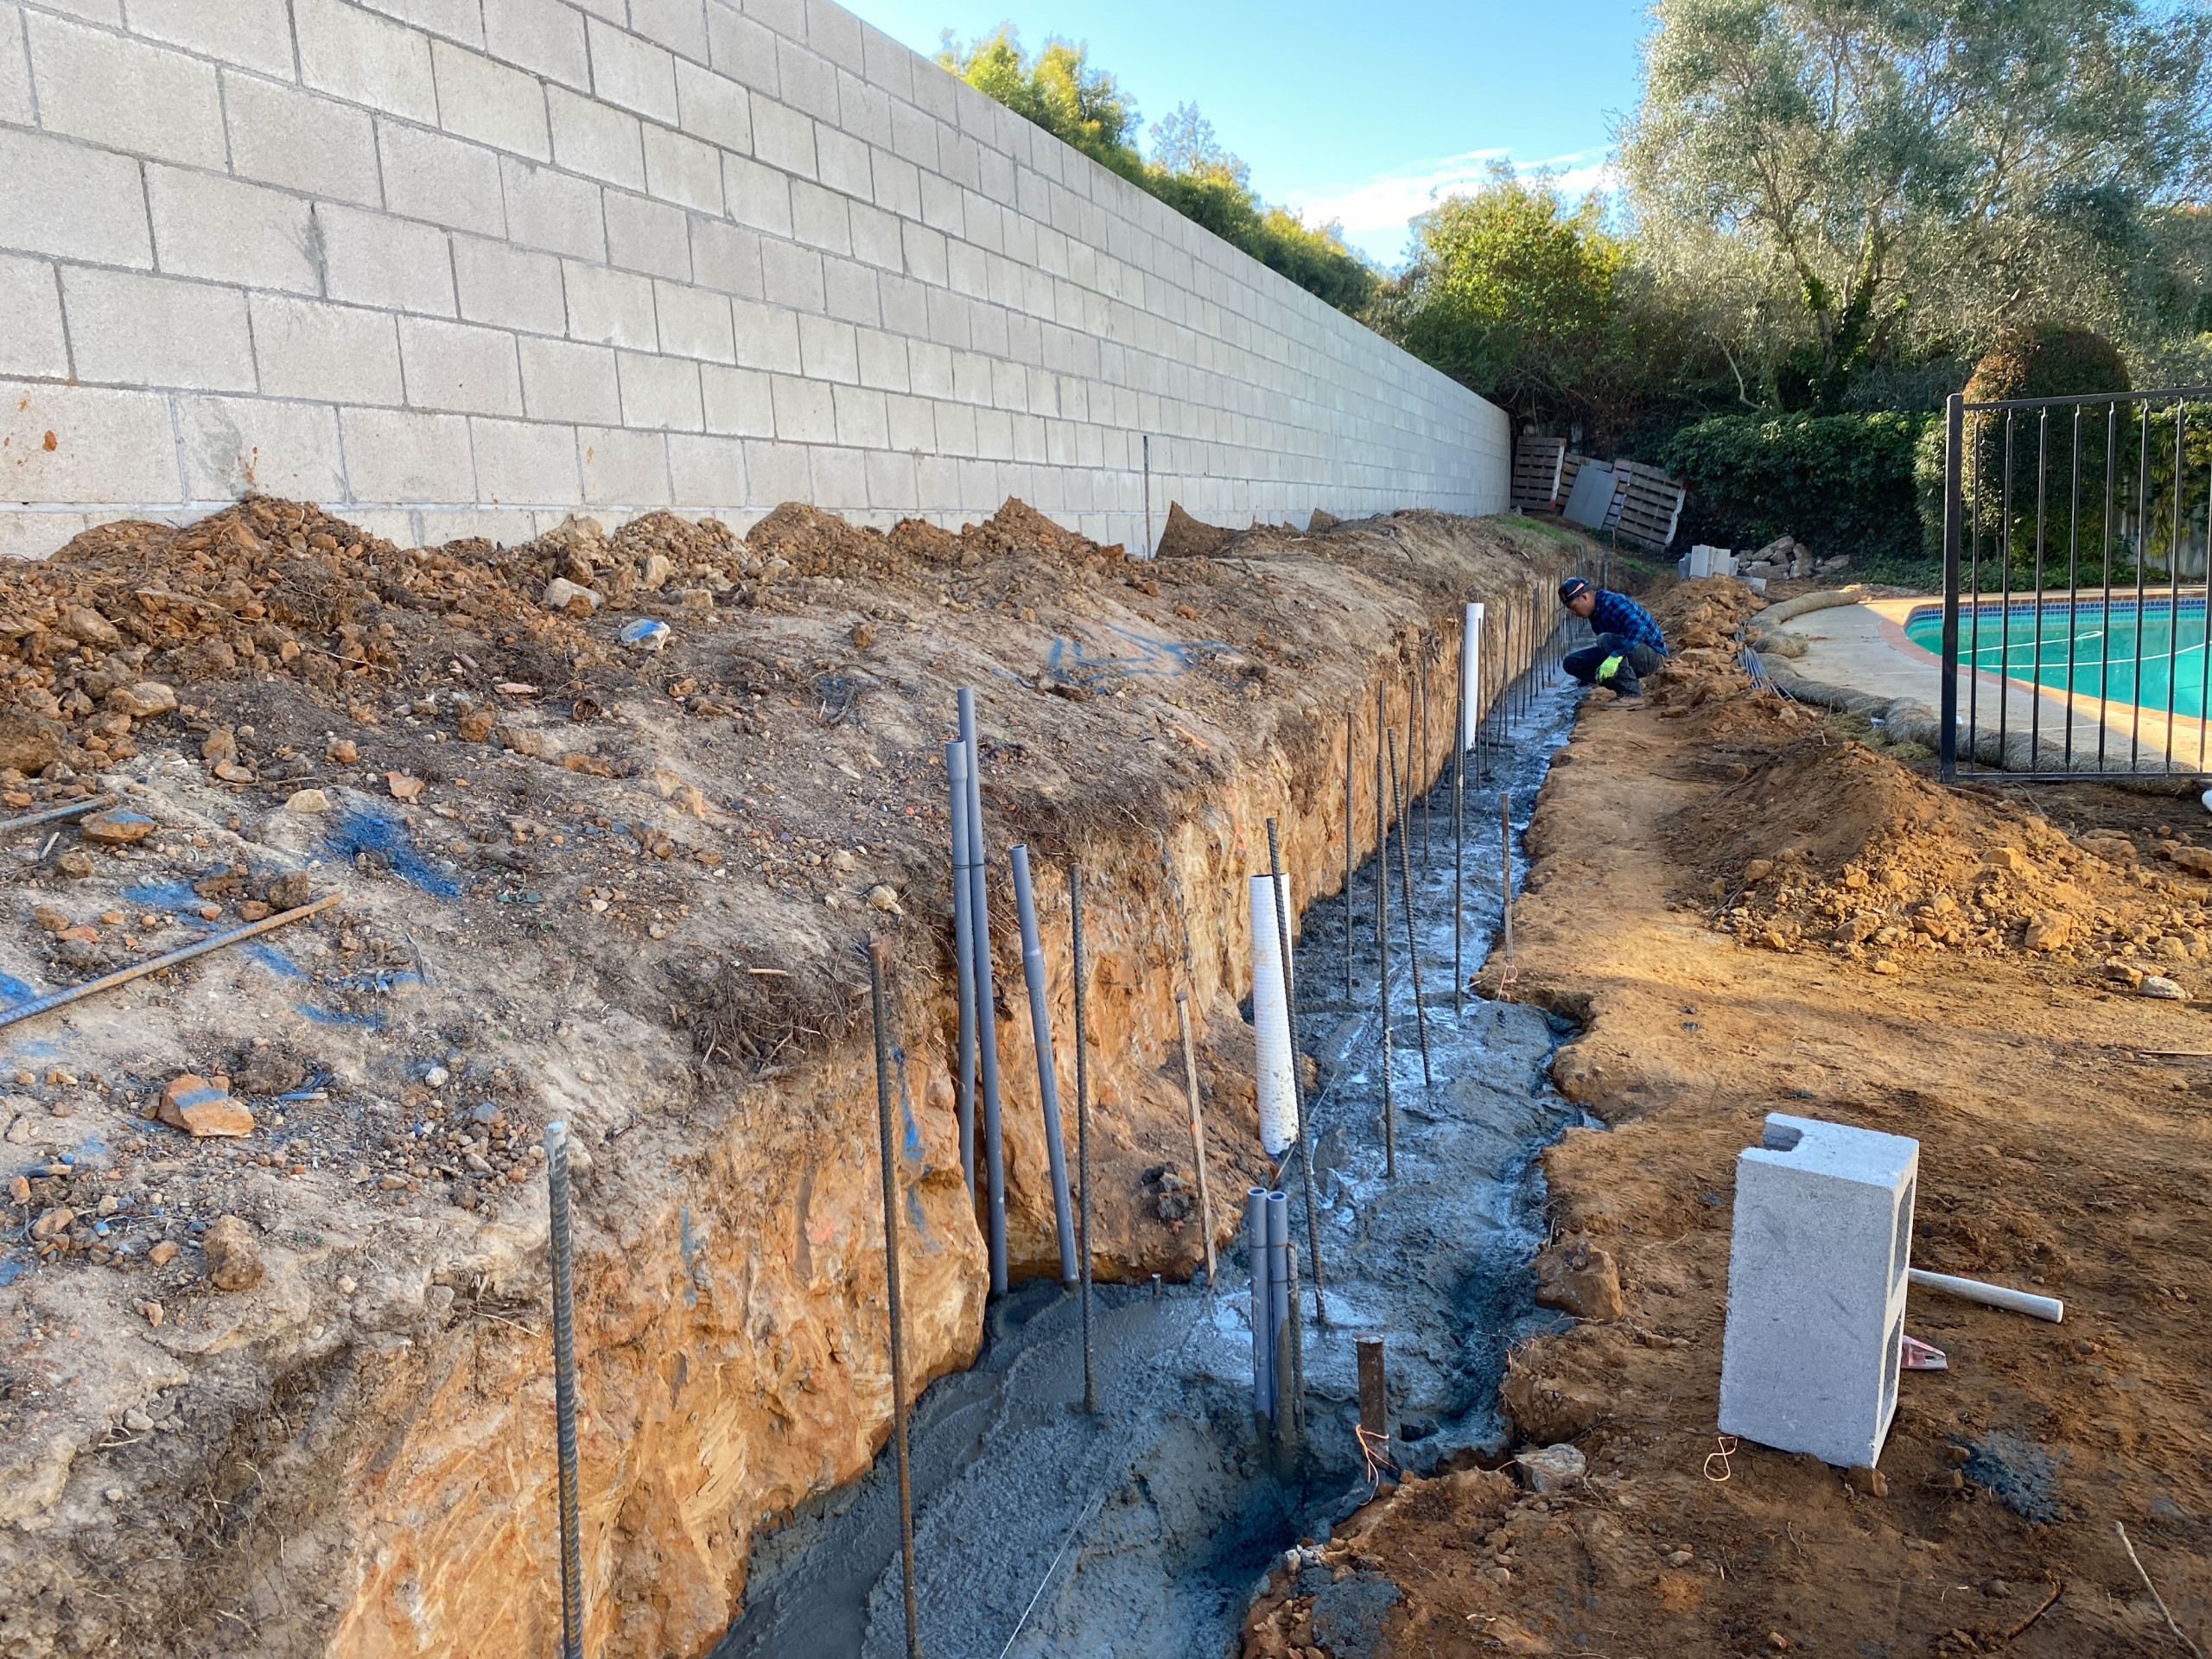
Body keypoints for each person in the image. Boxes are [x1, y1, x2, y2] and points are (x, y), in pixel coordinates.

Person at [1558, 575, 1667, 703]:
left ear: (1584, 597)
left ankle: (1631, 694)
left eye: (1573, 607)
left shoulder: (1612, 602)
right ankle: (1628, 683)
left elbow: (1639, 629)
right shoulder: (1595, 613)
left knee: (1605, 639)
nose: (1574, 613)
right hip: (1631, 654)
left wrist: (1615, 656)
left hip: (1651, 656)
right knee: (1572, 662)